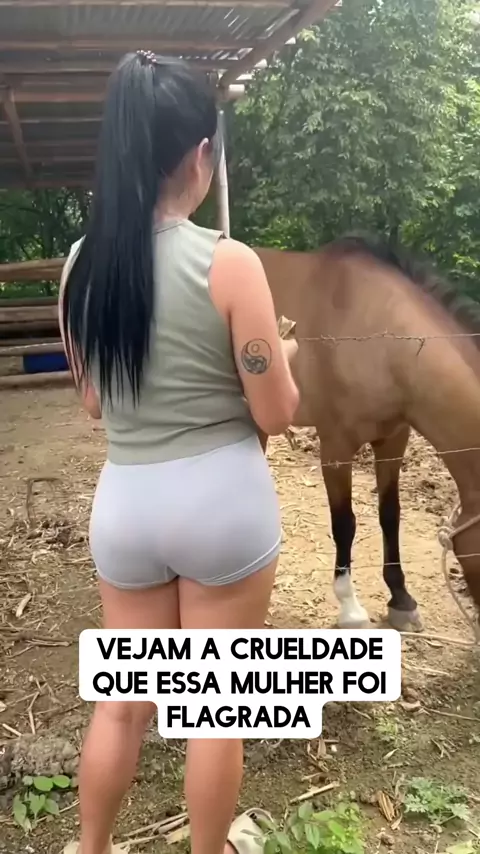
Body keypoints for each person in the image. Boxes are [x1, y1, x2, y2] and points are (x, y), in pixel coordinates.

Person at [59, 49, 299, 854]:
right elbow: (277, 411)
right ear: (201, 156)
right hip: (221, 506)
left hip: (127, 506)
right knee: (213, 708)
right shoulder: (230, 263)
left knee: (122, 703)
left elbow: (95, 402)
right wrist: (279, 359)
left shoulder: (81, 268)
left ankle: (91, 846)